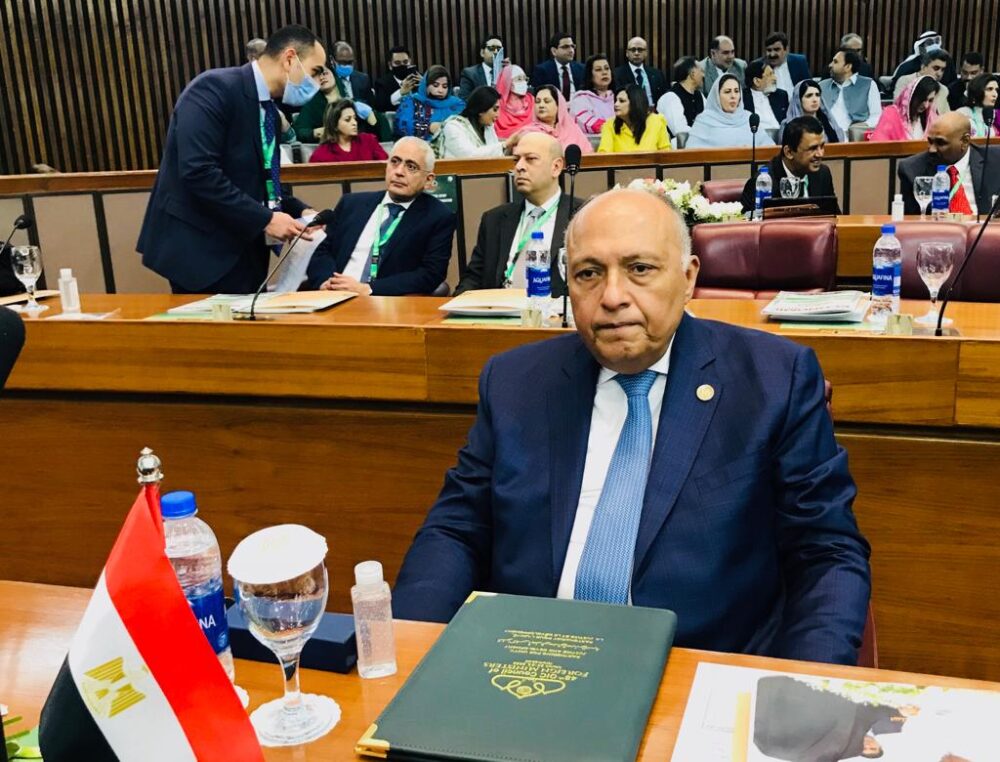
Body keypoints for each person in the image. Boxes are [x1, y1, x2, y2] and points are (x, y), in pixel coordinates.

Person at [393, 185, 872, 667]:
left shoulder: (772, 381)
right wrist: (409, 650)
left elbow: (826, 553)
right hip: (527, 660)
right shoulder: (516, 381)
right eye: (588, 274)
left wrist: (803, 684)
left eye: (640, 269)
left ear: (688, 277)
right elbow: (456, 529)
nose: (613, 297)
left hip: (696, 667)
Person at [137, 25, 324, 294]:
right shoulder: (213, 89)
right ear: (289, 59)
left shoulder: (270, 112)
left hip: (244, 251)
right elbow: (198, 171)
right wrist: (265, 219)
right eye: (315, 72)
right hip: (201, 252)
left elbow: (263, 181)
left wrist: (300, 212)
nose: (316, 83)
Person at [306, 137, 455, 294]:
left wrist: (368, 289)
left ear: (428, 180)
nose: (399, 172)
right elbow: (321, 251)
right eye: (395, 162)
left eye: (411, 167)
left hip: (385, 302)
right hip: (333, 295)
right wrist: (326, 282)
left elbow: (431, 274)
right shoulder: (351, 204)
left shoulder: (438, 217)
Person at [456, 133, 579, 294]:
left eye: (530, 159)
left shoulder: (582, 216)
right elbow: (473, 278)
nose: (519, 167)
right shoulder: (494, 219)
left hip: (553, 307)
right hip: (500, 306)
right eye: (516, 160)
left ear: (556, 167)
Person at [753, 676, 915, 761]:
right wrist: (903, 713)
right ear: (878, 743)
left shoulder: (845, 751)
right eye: (874, 748)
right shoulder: (876, 724)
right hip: (826, 699)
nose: (868, 747)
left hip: (796, 731)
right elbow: (887, 712)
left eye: (867, 751)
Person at [898, 112, 1000, 216]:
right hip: (939, 225)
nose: (932, 149)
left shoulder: (996, 160)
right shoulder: (912, 169)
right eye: (930, 141)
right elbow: (910, 219)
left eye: (941, 143)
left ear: (965, 141)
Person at [742, 116, 839, 212]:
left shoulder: (823, 174)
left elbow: (835, 217)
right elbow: (747, 220)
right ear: (789, 152)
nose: (820, 154)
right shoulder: (763, 182)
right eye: (812, 148)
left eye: (822, 146)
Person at [688, 74, 776, 149]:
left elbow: (770, 149)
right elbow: (692, 154)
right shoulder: (704, 121)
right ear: (717, 96)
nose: (733, 96)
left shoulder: (749, 118)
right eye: (727, 92)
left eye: (737, 91)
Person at [394, 66, 465, 141]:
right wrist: (429, 127)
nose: (440, 90)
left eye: (444, 86)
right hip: (420, 144)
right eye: (435, 85)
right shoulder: (411, 101)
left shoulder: (457, 104)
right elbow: (404, 127)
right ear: (426, 85)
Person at [820, 49, 882, 134]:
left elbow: (876, 116)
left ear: (848, 67)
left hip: (855, 137)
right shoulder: (822, 86)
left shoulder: (868, 84)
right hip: (825, 136)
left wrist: (859, 128)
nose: (830, 65)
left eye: (835, 62)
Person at [521, 84, 593, 155]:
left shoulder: (574, 131)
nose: (541, 105)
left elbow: (589, 156)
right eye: (537, 102)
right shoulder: (529, 133)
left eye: (547, 101)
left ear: (559, 105)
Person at [308, 100, 388, 163]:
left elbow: (386, 166)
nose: (354, 123)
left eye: (354, 118)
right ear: (334, 125)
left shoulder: (369, 141)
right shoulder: (321, 154)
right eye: (347, 120)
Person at [597, 84, 671, 153]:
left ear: (635, 103)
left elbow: (666, 154)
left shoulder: (657, 121)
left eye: (622, 101)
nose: (616, 104)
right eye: (616, 101)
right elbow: (604, 156)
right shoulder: (609, 126)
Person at [439, 87, 507, 159]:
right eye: (495, 109)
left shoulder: (488, 126)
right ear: (482, 109)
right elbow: (470, 156)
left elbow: (496, 156)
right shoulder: (453, 127)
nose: (498, 115)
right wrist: (505, 144)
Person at [869, 75, 941, 142]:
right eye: (922, 100)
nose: (926, 105)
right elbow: (878, 144)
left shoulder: (932, 118)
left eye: (930, 100)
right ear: (911, 96)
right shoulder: (891, 115)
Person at [656, 57, 707, 148]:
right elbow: (680, 132)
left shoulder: (700, 96)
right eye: (701, 71)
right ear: (692, 74)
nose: (703, 75)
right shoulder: (670, 98)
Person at [780, 80, 844, 144]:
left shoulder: (830, 122)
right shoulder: (787, 125)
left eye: (817, 95)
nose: (815, 100)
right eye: (809, 96)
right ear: (798, 100)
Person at [891, 31, 957, 90]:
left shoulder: (948, 62)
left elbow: (953, 84)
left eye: (937, 41)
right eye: (929, 43)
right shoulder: (908, 65)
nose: (935, 45)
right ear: (921, 47)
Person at [895, 49, 952, 115]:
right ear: (923, 67)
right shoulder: (906, 81)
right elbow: (899, 108)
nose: (939, 73)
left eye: (942, 70)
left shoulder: (943, 90)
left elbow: (947, 116)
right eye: (936, 68)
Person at [614, 37, 667, 106]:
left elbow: (664, 97)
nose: (636, 53)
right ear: (627, 53)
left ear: (646, 53)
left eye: (640, 50)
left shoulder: (657, 74)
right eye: (633, 50)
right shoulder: (617, 74)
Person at [753, 32, 811, 96]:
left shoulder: (799, 61)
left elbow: (809, 87)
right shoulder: (758, 66)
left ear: (786, 49)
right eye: (769, 50)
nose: (772, 54)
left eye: (776, 49)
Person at [530, 32, 584, 101]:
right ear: (554, 51)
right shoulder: (542, 70)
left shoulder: (581, 69)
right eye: (565, 47)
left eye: (572, 46)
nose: (571, 50)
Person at [571, 54, 616, 134]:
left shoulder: (618, 97)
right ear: (590, 75)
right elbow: (587, 123)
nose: (604, 72)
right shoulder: (581, 99)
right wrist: (615, 128)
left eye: (607, 68)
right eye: (598, 70)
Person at [743, 60, 789, 129]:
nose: (775, 78)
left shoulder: (781, 95)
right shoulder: (742, 98)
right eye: (770, 74)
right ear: (757, 81)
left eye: (773, 73)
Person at [373, 46, 421, 113]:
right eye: (397, 63)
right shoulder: (382, 83)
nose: (402, 65)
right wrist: (400, 92)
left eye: (405, 62)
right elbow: (381, 107)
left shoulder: (421, 78)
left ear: (410, 61)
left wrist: (425, 85)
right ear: (390, 65)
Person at [494, 64, 535, 139]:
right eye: (519, 79)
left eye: (525, 79)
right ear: (507, 82)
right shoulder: (496, 106)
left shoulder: (532, 101)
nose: (524, 82)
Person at [458, 35, 505, 99]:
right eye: (492, 48)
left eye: (499, 49)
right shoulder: (470, 74)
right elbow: (464, 99)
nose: (496, 52)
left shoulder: (507, 73)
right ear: (482, 53)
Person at [957, 73, 1000, 138]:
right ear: (977, 91)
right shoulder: (962, 114)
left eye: (996, 90)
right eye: (989, 89)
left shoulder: (995, 115)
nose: (995, 94)